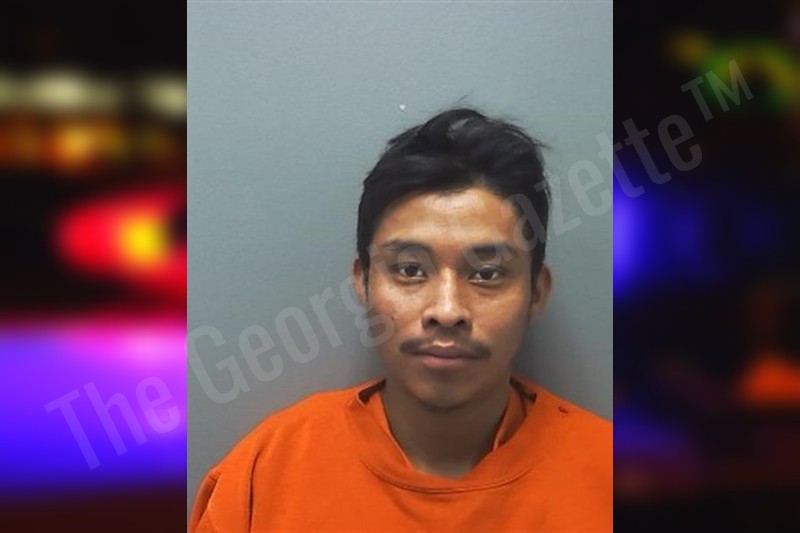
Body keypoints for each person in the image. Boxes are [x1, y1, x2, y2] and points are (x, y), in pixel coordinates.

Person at [189, 108, 612, 532]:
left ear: (536, 292)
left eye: (486, 274)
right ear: (363, 281)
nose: (447, 310)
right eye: (410, 270)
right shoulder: (265, 475)